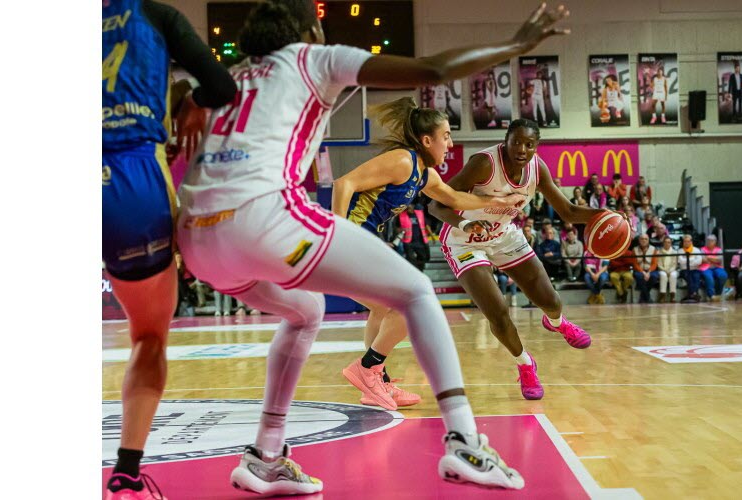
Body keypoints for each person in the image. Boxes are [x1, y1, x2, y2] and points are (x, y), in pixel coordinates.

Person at [176, 1, 572, 492]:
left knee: (305, 311)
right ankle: (465, 442)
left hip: (196, 236)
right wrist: (518, 44)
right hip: (264, 218)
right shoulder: (313, 59)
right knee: (418, 292)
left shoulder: (231, 76)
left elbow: (451, 197)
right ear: (310, 28)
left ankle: (267, 455)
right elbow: (431, 69)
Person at [103, 0, 237, 497]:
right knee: (149, 338)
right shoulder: (156, 16)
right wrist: (194, 101)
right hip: (130, 179)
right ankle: (126, 475)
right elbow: (223, 87)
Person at [330, 98, 525, 410]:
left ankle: (376, 383)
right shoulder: (403, 161)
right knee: (412, 305)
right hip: (352, 239)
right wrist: (337, 236)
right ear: (426, 140)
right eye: (446, 136)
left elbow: (456, 197)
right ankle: (368, 367)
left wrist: (501, 202)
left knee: (382, 311)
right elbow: (344, 183)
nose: (450, 143)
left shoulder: (424, 175)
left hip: (364, 242)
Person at [429, 119, 603, 401]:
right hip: (464, 240)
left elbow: (569, 212)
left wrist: (604, 215)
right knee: (497, 310)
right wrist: (464, 225)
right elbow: (435, 205)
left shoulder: (538, 169)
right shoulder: (483, 163)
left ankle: (557, 322)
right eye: (517, 142)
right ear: (506, 141)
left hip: (503, 235)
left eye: (529, 144)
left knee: (551, 300)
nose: (522, 149)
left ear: (537, 146)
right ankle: (525, 364)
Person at [699, 235, 728, 301]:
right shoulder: (702, 249)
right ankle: (711, 295)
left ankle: (718, 294)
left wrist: (708, 257)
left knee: (723, 275)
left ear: (715, 242)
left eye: (712, 241)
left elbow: (719, 259)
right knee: (709, 277)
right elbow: (703, 259)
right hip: (706, 267)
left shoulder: (719, 250)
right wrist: (714, 258)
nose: (710, 242)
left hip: (717, 267)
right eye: (708, 241)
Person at [633, 234, 660, 303]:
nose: (644, 240)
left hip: (650, 270)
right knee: (639, 276)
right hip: (639, 270)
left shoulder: (653, 249)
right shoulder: (635, 249)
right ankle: (648, 298)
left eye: (646, 239)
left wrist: (648, 272)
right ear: (639, 240)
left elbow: (654, 264)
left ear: (648, 240)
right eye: (642, 239)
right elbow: (635, 264)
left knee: (654, 276)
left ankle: (642, 297)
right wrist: (643, 272)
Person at [678, 234, 704, 302]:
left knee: (696, 277)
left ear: (691, 242)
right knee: (689, 278)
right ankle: (694, 294)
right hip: (684, 270)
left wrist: (687, 261)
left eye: (688, 241)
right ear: (683, 242)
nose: (686, 243)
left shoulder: (697, 250)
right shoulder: (680, 251)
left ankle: (692, 294)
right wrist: (692, 259)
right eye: (685, 241)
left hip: (695, 269)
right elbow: (681, 262)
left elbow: (699, 261)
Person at [656, 236, 679, 303]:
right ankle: (662, 295)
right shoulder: (659, 252)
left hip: (672, 269)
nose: (667, 244)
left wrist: (670, 270)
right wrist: (665, 270)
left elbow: (675, 264)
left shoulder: (674, 252)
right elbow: (659, 264)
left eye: (669, 242)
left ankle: (673, 296)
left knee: (673, 275)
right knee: (663, 275)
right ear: (663, 243)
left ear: (671, 243)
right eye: (665, 242)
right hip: (662, 269)